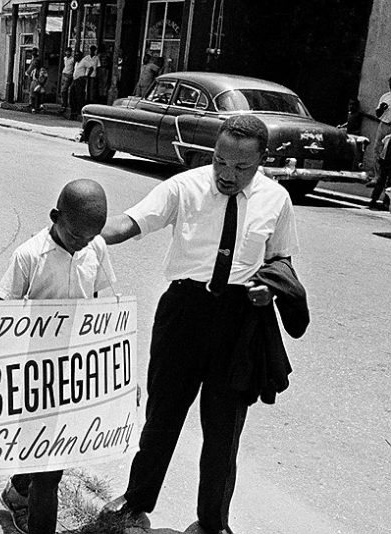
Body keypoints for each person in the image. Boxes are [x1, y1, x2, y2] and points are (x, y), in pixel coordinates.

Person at [99, 115, 305, 534]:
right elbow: (131, 222)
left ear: (262, 160)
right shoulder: (185, 186)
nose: (227, 174)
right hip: (184, 314)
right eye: (220, 161)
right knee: (162, 416)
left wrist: (271, 288)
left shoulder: (277, 199)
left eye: (240, 167)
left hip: (240, 320)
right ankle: (136, 500)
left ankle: (213, 523)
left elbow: (280, 258)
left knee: (223, 431)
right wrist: (81, 233)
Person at [0, 179, 116, 534]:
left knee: (51, 453)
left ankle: (19, 490)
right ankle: (35, 512)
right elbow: (2, 318)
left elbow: (106, 307)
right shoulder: (29, 255)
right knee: (50, 471)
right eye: (76, 234)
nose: (83, 242)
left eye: (91, 236)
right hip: (35, 370)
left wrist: (120, 376)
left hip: (76, 370)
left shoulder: (96, 248)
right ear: (55, 217)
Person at [369, 76, 391, 206]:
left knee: (388, 155)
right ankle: (377, 175)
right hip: (384, 124)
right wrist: (381, 109)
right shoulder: (385, 96)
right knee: (378, 149)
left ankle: (385, 198)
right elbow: (377, 114)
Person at [70, 50, 90, 120]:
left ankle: (78, 112)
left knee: (79, 96)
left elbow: (91, 67)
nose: (76, 56)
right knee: (72, 95)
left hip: (80, 80)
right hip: (74, 80)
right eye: (75, 55)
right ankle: (73, 112)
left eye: (77, 55)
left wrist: (86, 76)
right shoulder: (76, 63)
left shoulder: (84, 61)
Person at [59, 48, 76, 115]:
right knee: (62, 90)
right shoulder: (65, 58)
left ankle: (65, 104)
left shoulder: (73, 59)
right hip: (64, 73)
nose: (67, 53)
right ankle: (63, 103)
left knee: (64, 90)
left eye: (69, 52)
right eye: (66, 51)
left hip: (69, 74)